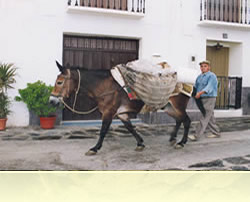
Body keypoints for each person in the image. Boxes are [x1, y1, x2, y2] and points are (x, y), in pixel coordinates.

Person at [188, 60, 220, 141]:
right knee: (210, 116)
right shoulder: (199, 77)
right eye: (201, 66)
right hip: (202, 98)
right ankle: (216, 132)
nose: (203, 68)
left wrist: (200, 93)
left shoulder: (212, 76)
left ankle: (196, 135)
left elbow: (209, 87)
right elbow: (195, 86)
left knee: (205, 116)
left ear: (209, 67)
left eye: (205, 66)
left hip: (210, 98)